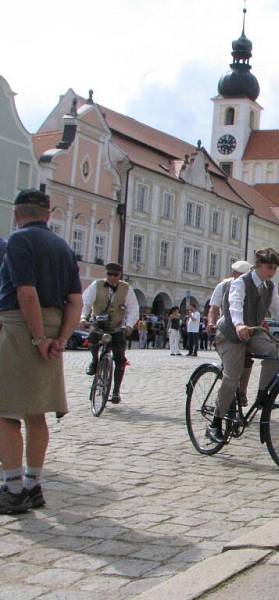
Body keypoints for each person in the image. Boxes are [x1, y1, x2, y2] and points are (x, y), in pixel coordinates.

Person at [0, 189, 82, 514]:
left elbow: (26, 292)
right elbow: (75, 301)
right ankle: (34, 486)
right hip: (53, 325)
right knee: (37, 413)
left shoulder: (19, 241)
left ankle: (13, 489)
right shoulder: (63, 247)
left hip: (21, 328)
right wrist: (60, 338)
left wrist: (37, 338)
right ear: (48, 215)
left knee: (5, 414)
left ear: (17, 214)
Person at [206, 248, 279, 443]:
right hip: (231, 334)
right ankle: (215, 423)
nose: (273, 271)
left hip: (252, 333)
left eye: (275, 268)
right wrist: (239, 324)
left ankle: (263, 395)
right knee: (232, 377)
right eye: (270, 267)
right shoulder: (240, 283)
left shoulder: (270, 286)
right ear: (258, 265)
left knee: (274, 352)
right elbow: (234, 305)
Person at [81, 262, 138, 404]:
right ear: (105, 274)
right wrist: (83, 318)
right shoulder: (97, 285)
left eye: (115, 275)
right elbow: (86, 303)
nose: (112, 277)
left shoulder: (126, 288)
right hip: (99, 325)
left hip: (116, 327)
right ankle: (94, 361)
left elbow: (133, 308)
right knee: (92, 338)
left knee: (120, 358)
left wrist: (130, 325)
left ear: (120, 275)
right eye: (109, 274)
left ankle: (116, 392)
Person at [207, 260, 254, 403]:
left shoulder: (252, 287)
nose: (244, 279)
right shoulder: (223, 285)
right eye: (240, 275)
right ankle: (222, 402)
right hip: (226, 330)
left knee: (247, 360)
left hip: (245, 331)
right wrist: (211, 323)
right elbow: (214, 308)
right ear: (234, 274)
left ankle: (242, 393)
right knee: (231, 369)